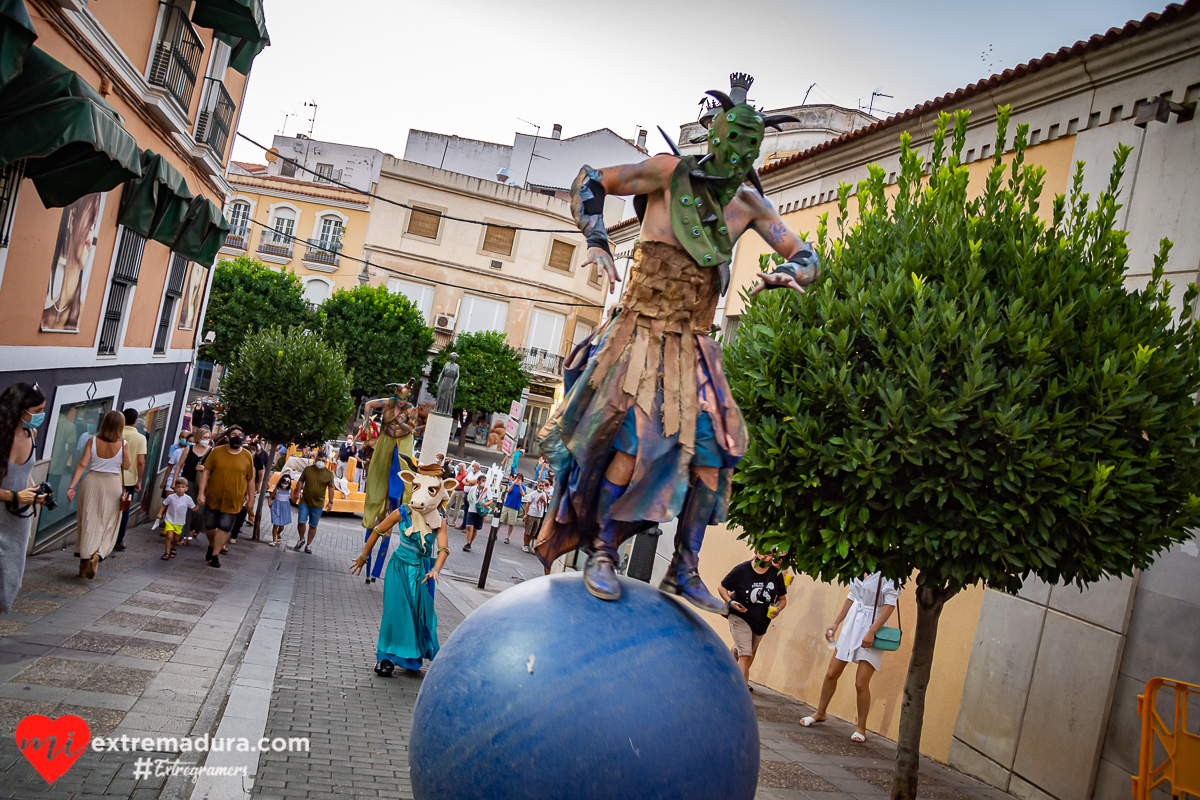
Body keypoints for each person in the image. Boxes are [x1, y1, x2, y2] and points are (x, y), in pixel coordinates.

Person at [534, 73, 819, 607]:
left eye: (751, 143)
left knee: (716, 450)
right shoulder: (667, 175)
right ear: (715, 135)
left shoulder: (750, 206)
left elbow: (806, 254)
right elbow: (590, 179)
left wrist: (793, 272)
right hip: (637, 337)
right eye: (734, 137)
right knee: (632, 445)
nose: (741, 150)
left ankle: (684, 568)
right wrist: (597, 239)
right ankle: (602, 551)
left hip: (693, 347)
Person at [351, 463, 454, 676]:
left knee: (417, 615)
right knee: (395, 612)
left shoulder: (439, 521)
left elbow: (444, 548)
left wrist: (436, 569)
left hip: (422, 573)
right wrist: (363, 556)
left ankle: (410, 656)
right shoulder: (403, 512)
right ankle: (385, 657)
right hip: (398, 568)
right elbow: (378, 530)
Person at [799, 572, 900, 743]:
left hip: (872, 625)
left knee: (861, 682)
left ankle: (861, 728)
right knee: (831, 673)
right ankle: (820, 712)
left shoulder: (889, 573)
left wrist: (871, 632)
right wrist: (835, 623)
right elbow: (852, 596)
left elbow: (890, 605)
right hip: (852, 622)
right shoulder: (857, 565)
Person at [0, 383, 48, 613]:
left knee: (9, 583)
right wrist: (16, 495)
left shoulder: (31, 433)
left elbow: (25, 474)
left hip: (17, 521)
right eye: (37, 411)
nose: (41, 416)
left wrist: (34, 491)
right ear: (20, 409)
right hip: (4, 512)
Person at [67, 411, 129, 579]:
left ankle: (84, 558)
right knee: (110, 523)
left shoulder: (92, 441)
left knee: (88, 520)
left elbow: (82, 464)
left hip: (91, 481)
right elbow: (127, 466)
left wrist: (71, 486)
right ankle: (98, 554)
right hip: (112, 484)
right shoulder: (123, 444)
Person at [719, 552, 788, 690]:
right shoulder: (743, 569)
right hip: (740, 616)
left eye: (769, 554)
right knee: (745, 656)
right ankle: (740, 692)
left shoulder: (777, 573)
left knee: (740, 652)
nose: (765, 557)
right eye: (762, 553)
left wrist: (778, 609)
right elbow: (722, 587)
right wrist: (730, 602)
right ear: (755, 552)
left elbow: (782, 599)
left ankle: (725, 676)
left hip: (761, 621)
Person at [196, 424, 255, 569]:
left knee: (225, 527)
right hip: (213, 496)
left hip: (234, 500)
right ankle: (212, 544)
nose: (237, 437)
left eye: (239, 435)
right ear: (227, 438)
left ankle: (215, 554)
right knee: (210, 526)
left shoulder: (247, 456)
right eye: (234, 434)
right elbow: (206, 473)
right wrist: (201, 493)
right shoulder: (216, 452)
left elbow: (250, 479)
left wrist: (251, 499)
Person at [361, 384, 416, 531]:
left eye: (404, 399)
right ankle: (375, 510)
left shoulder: (411, 408)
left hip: (402, 442)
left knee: (403, 470)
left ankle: (405, 508)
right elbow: (368, 404)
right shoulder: (389, 402)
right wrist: (366, 422)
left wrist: (402, 423)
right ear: (395, 395)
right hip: (386, 439)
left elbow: (411, 428)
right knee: (378, 471)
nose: (401, 402)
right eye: (399, 398)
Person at [113, 408, 147, 552]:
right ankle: (119, 540)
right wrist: (139, 480)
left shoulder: (115, 434)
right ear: (135, 421)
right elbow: (141, 461)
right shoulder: (140, 438)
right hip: (129, 480)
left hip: (113, 476)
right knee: (124, 509)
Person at [169, 426, 210, 541]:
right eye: (204, 437)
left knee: (198, 511)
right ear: (198, 438)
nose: (206, 440)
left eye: (208, 438)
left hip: (202, 485)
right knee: (185, 509)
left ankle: (192, 529)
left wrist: (204, 468)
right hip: (188, 482)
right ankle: (182, 535)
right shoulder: (189, 449)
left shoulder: (211, 451)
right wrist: (174, 481)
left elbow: (215, 469)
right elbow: (179, 465)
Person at [292, 451, 335, 554]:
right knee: (301, 521)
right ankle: (301, 539)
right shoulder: (308, 470)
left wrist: (330, 502)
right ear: (315, 460)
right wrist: (298, 492)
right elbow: (301, 481)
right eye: (319, 460)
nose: (320, 462)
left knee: (313, 525)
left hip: (318, 504)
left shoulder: (329, 474)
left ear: (326, 462)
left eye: (323, 461)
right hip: (305, 501)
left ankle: (308, 544)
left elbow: (331, 488)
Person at [228, 439, 267, 543]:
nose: (252, 451)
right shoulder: (241, 459)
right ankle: (229, 529)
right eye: (251, 449)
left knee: (242, 511)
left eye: (254, 449)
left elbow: (259, 475)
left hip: (248, 489)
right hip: (237, 487)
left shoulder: (257, 461)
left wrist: (257, 488)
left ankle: (234, 534)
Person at [156, 478, 194, 560]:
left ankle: (173, 547)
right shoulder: (171, 497)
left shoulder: (188, 499)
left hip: (179, 521)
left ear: (186, 488)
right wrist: (160, 513)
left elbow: (193, 508)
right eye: (178, 487)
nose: (180, 489)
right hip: (170, 519)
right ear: (175, 488)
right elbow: (164, 504)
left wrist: (200, 505)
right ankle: (166, 552)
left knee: (176, 538)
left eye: (182, 487)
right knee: (169, 536)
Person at [522, 481, 548, 554]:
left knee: (534, 532)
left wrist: (544, 499)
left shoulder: (544, 494)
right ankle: (525, 544)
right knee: (528, 530)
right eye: (540, 486)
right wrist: (525, 514)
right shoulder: (533, 494)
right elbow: (528, 504)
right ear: (537, 485)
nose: (541, 487)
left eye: (543, 486)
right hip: (531, 514)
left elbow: (545, 504)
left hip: (539, 515)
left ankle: (528, 544)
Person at [268, 473, 293, 546]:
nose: (285, 485)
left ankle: (278, 534)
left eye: (286, 483)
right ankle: (274, 540)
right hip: (276, 508)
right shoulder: (277, 489)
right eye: (284, 483)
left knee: (281, 527)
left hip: (284, 510)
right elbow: (270, 497)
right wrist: (269, 504)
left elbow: (293, 499)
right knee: (275, 525)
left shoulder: (290, 489)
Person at [500, 473, 526, 545]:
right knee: (500, 520)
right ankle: (495, 533)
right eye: (517, 478)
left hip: (515, 506)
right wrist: (513, 483)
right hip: (507, 504)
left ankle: (508, 537)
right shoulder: (511, 484)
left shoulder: (523, 487)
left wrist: (520, 485)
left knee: (511, 523)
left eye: (520, 478)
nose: (518, 479)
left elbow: (522, 494)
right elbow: (508, 490)